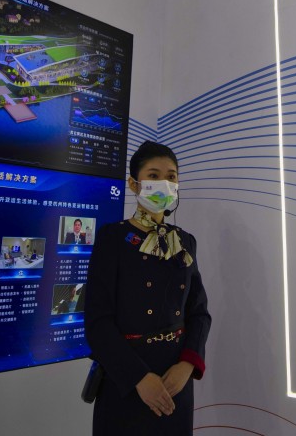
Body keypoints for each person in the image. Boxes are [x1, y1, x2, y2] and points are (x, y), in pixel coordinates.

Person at [85, 141, 211, 436]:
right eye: (153, 176)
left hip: (175, 380)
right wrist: (139, 378)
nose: (164, 184)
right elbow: (97, 321)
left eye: (171, 176)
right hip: (126, 379)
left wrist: (187, 366)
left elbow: (199, 313)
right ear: (133, 183)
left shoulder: (184, 241)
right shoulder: (112, 237)